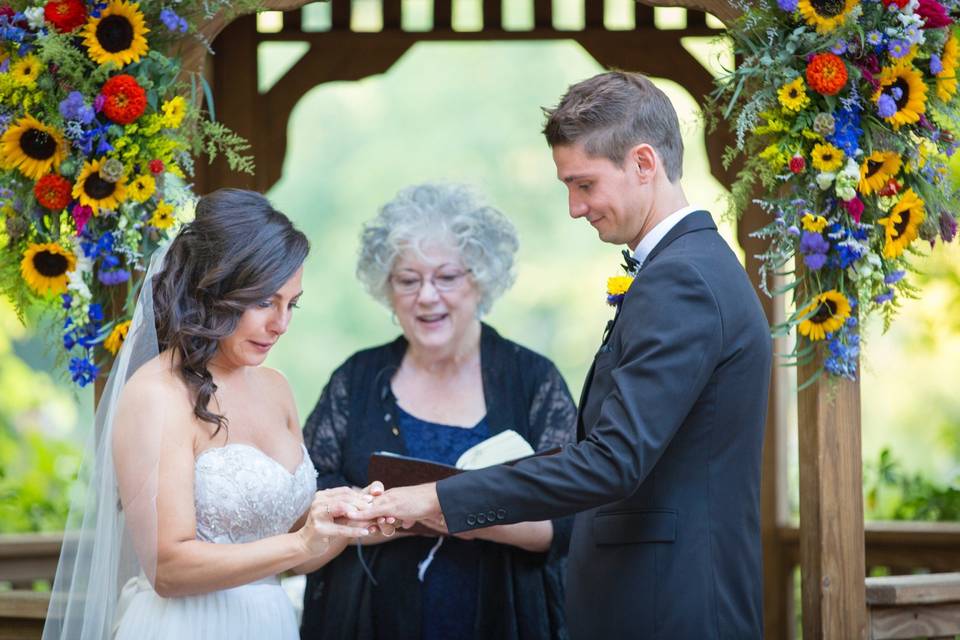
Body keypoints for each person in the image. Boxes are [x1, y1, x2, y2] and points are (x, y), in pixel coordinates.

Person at [356, 72, 773, 639]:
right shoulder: (689, 268)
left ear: (644, 164)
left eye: (584, 184)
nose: (575, 208)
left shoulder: (683, 281)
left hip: (670, 606)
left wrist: (437, 497)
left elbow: (611, 459)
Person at [43, 189, 376, 640]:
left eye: (291, 303)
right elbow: (168, 568)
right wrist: (299, 541)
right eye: (265, 302)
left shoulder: (277, 388)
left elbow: (295, 554)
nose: (281, 323)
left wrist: (346, 524)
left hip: (270, 623)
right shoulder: (157, 395)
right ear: (213, 290)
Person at [300, 182, 577, 640]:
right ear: (386, 287)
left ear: (482, 277)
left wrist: (460, 514)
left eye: (447, 277)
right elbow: (312, 499)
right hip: (369, 620)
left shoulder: (534, 380)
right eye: (408, 280)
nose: (427, 296)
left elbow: (564, 524)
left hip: (505, 620)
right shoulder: (355, 379)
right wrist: (398, 516)